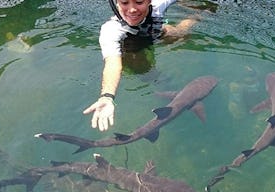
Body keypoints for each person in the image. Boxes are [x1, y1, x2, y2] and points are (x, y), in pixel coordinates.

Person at [83, 0, 198, 131]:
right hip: (129, 46)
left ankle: (200, 14)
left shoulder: (158, 6)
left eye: (138, 2)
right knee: (144, 72)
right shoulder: (111, 30)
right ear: (116, 3)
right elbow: (112, 64)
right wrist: (107, 96)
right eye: (124, 3)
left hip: (154, 33)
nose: (132, 9)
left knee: (182, 35)